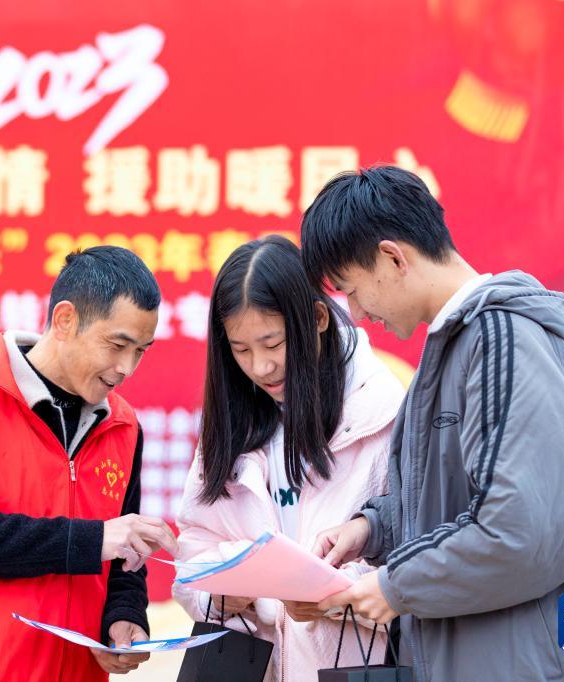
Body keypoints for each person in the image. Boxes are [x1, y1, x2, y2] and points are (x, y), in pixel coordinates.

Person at [302, 166, 564, 681]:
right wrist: (370, 528)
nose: (355, 311)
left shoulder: (502, 339)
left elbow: (522, 528)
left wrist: (397, 586)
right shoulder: (461, 345)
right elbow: (454, 501)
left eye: (351, 289)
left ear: (393, 258)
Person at [0, 246, 179, 681]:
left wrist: (124, 617)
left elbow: (123, 560)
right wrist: (92, 540)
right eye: (117, 345)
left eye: (141, 350)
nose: (127, 367)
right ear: (65, 320)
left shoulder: (124, 427)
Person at [172, 236, 405, 681]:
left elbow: (416, 557)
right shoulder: (232, 422)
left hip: (349, 666)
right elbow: (195, 545)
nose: (261, 367)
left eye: (273, 343)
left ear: (317, 318)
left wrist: (333, 596)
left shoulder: (380, 411)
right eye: (241, 350)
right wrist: (220, 592)